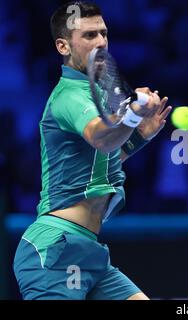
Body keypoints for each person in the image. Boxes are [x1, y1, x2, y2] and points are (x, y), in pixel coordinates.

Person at [13, 1, 172, 300]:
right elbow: (100, 139)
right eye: (89, 36)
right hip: (56, 250)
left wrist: (139, 137)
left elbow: (103, 158)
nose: (100, 42)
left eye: (103, 33)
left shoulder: (96, 92)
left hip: (89, 251)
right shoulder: (70, 96)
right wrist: (134, 116)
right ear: (63, 46)